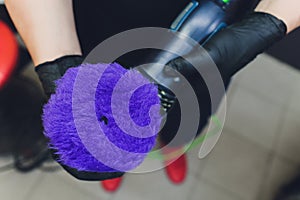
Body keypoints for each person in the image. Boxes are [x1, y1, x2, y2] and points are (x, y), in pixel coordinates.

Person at [4, 0, 300, 192]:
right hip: (96, 15)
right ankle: (117, 158)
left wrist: (271, 21)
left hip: (211, 22)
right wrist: (59, 60)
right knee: (104, 115)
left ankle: (174, 145)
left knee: (191, 110)